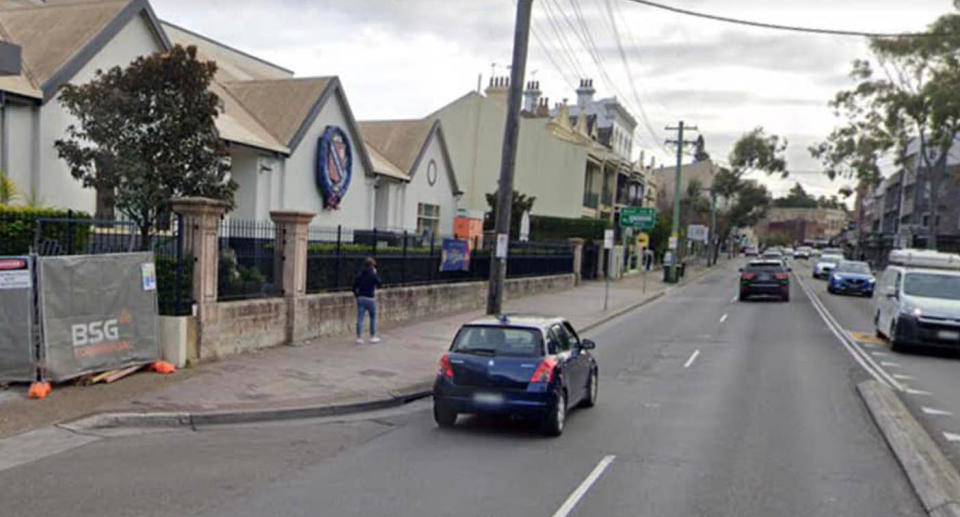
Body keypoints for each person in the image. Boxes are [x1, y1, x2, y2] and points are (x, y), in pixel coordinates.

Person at [353, 257, 382, 344]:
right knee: (372, 317)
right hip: (370, 298)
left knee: (360, 318)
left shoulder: (360, 274)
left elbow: (354, 287)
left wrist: (357, 296)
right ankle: (372, 336)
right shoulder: (373, 275)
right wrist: (375, 273)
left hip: (361, 297)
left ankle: (359, 338)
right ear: (372, 265)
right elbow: (379, 283)